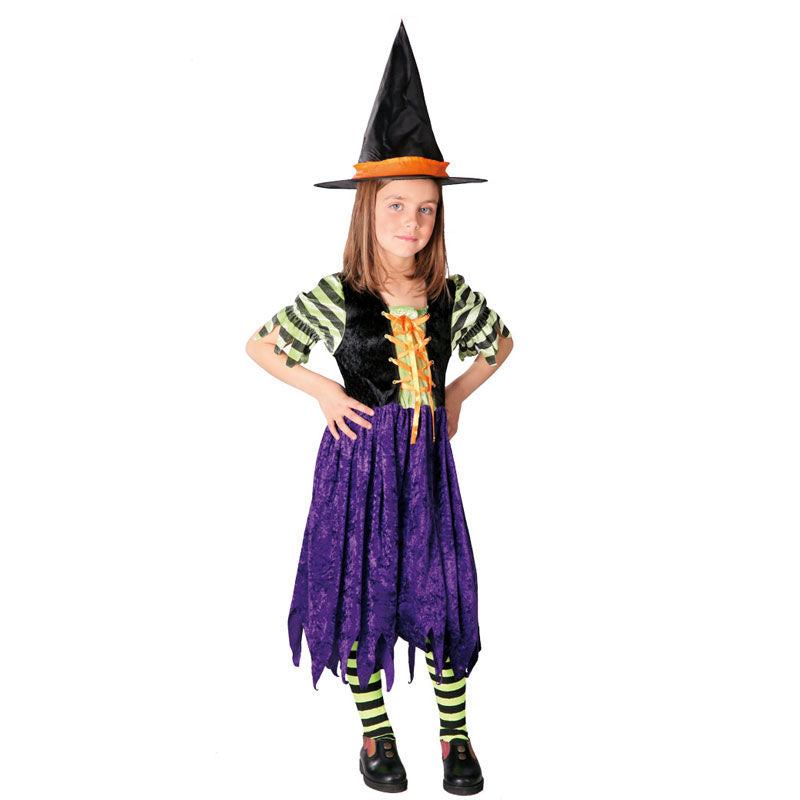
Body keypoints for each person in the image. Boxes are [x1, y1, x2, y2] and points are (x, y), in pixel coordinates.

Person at [245, 22, 512, 796]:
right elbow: (261, 346)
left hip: (425, 470)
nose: (412, 222)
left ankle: (454, 736)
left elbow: (500, 344)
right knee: (363, 595)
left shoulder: (449, 296)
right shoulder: (341, 293)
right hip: (359, 467)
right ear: (367, 208)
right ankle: (376, 734)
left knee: (441, 592)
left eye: (426, 209)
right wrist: (325, 391)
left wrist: (455, 395)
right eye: (396, 205)